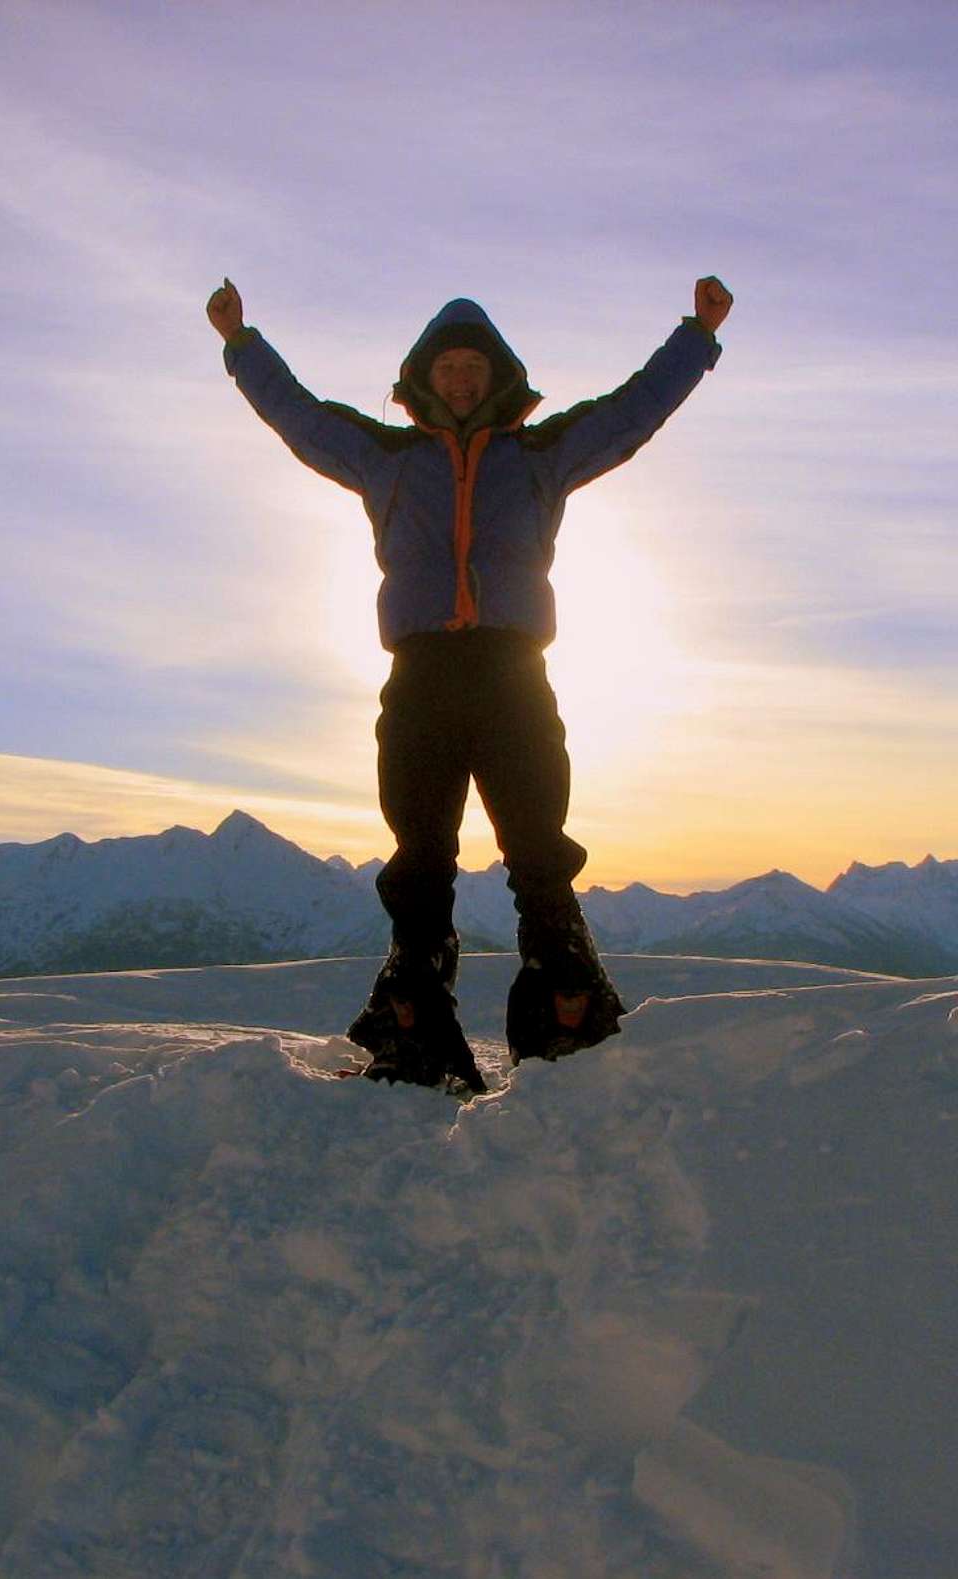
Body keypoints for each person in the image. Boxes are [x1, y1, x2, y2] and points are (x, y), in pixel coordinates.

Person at [207, 275, 733, 1092]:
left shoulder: (538, 456)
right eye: (446, 365)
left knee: (536, 850)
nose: (459, 378)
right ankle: (414, 1023)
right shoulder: (388, 458)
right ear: (423, 379)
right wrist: (242, 346)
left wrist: (696, 339)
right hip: (420, 677)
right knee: (421, 855)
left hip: (513, 677)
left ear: (497, 378)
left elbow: (630, 414)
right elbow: (303, 419)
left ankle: (565, 1011)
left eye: (472, 366)